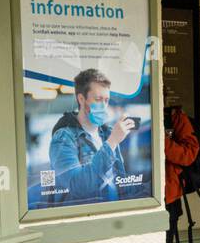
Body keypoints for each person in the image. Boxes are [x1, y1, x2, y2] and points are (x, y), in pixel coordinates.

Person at [48, 68, 136, 205]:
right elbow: (79, 187)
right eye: (98, 99)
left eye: (106, 100)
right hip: (82, 221)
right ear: (81, 99)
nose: (104, 106)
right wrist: (112, 142)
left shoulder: (108, 133)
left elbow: (120, 182)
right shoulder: (63, 138)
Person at [164, 91, 199, 243]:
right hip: (140, 197)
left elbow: (187, 155)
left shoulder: (176, 118)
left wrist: (161, 140)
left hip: (168, 199)